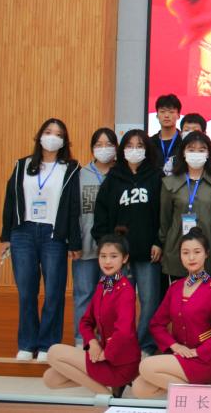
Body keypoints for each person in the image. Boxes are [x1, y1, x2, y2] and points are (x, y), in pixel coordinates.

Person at [0, 118, 82, 361]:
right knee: (27, 292)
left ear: (64, 141)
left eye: (58, 134)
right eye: (48, 132)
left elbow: (73, 208)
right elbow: (10, 201)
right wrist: (5, 237)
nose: (52, 137)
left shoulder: (71, 168)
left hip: (54, 235)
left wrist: (74, 241)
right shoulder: (22, 165)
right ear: (40, 136)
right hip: (23, 233)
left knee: (54, 292)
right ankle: (27, 343)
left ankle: (48, 345)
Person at [133, 228, 211, 397]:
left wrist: (201, 351)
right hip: (179, 356)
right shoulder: (175, 287)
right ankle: (195, 396)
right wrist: (175, 346)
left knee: (145, 366)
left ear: (206, 254)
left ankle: (193, 396)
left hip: (204, 360)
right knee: (139, 388)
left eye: (197, 252)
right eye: (185, 252)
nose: (191, 257)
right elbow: (156, 324)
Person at [42, 227, 140, 396]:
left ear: (124, 259)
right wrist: (92, 343)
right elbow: (85, 322)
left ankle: (107, 398)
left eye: (113, 256)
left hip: (121, 362)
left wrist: (105, 354)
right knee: (51, 378)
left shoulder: (125, 290)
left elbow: (124, 332)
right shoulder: (103, 285)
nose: (107, 261)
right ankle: (107, 392)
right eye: (103, 256)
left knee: (54, 352)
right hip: (102, 353)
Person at [92, 128, 161, 356]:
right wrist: (107, 247)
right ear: (122, 150)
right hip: (119, 256)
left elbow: (163, 214)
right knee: (118, 302)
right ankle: (119, 344)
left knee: (150, 300)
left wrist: (158, 241)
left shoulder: (156, 177)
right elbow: (101, 215)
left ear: (147, 149)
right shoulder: (113, 178)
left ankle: (144, 345)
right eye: (130, 146)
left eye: (139, 146)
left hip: (149, 252)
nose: (134, 150)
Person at [73, 128, 118, 347]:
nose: (103, 149)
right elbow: (73, 211)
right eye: (99, 145)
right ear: (92, 148)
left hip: (113, 249)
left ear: (116, 148)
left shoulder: (121, 174)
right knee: (84, 293)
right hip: (85, 246)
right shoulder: (80, 175)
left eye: (108, 144)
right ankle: (83, 338)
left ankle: (109, 339)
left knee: (111, 296)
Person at [160, 132, 211, 285]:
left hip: (210, 250)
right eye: (191, 149)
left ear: (209, 154)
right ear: (183, 152)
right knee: (181, 295)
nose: (196, 153)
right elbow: (164, 220)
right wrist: (162, 244)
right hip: (177, 248)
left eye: (201, 150)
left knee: (208, 296)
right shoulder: (169, 183)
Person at [149, 94, 183, 168]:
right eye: (162, 111)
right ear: (157, 115)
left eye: (171, 112)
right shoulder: (150, 142)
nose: (166, 115)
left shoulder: (184, 141)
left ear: (178, 115)